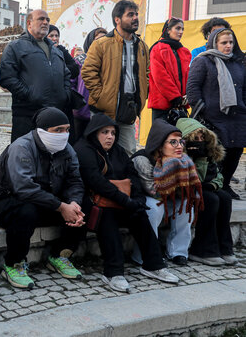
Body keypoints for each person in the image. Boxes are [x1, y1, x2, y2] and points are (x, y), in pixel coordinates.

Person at [74, 113, 179, 293]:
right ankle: (113, 272)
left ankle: (153, 265)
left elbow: (131, 174)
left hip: (120, 200)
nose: (110, 137)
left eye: (113, 133)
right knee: (108, 219)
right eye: (105, 132)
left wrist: (137, 198)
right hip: (94, 202)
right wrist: (127, 201)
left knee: (140, 214)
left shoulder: (117, 150)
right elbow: (96, 182)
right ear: (94, 133)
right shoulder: (84, 149)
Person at [0, 107, 86, 289]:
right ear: (42, 131)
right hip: (6, 200)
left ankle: (60, 255)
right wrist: (61, 207)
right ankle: (13, 264)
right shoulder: (21, 147)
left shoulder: (67, 149)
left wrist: (73, 204)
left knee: (84, 206)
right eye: (58, 130)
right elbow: (23, 188)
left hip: (46, 200)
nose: (64, 135)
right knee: (26, 211)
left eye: (67, 129)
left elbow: (75, 181)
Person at [81, 0, 150, 155]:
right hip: (103, 110)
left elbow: (147, 74)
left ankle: (124, 180)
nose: (135, 18)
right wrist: (102, 97)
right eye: (130, 15)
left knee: (128, 152)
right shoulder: (101, 44)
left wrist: (142, 97)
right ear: (117, 19)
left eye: (136, 14)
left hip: (129, 109)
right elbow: (88, 72)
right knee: (100, 152)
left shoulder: (142, 46)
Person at [131, 119, 202, 266]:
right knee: (155, 208)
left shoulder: (181, 160)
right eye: (173, 142)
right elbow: (153, 190)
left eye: (181, 142)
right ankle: (146, 255)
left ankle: (178, 252)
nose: (179, 146)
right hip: (145, 198)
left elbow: (191, 188)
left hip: (166, 196)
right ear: (160, 144)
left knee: (185, 204)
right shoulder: (142, 160)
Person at [187, 28, 246, 200]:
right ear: (215, 43)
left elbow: (243, 89)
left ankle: (226, 184)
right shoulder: (204, 61)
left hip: (237, 116)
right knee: (216, 153)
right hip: (212, 117)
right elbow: (192, 89)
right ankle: (214, 185)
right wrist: (204, 109)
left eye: (231, 42)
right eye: (224, 43)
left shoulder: (238, 62)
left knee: (235, 152)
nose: (228, 46)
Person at [0, 10, 72, 142]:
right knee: (25, 154)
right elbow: (7, 78)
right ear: (29, 23)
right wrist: (30, 95)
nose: (45, 22)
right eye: (41, 19)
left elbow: (66, 75)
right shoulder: (15, 47)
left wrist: (64, 95)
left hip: (54, 113)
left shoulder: (56, 51)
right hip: (27, 115)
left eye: (48, 20)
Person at [176, 118, 237, 265]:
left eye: (202, 137)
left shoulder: (208, 153)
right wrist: (196, 158)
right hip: (184, 191)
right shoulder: (181, 156)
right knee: (211, 199)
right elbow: (187, 180)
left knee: (224, 197)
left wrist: (212, 185)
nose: (200, 141)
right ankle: (202, 250)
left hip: (203, 188)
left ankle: (224, 248)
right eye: (195, 138)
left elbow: (218, 177)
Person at [148, 18, 191, 121]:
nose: (181, 32)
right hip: (162, 106)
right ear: (168, 30)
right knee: (162, 136)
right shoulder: (158, 48)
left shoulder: (184, 51)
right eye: (177, 28)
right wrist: (175, 97)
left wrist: (186, 97)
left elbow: (187, 76)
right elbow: (160, 77)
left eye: (182, 29)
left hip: (180, 105)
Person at [72, 28, 107, 140]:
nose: (101, 42)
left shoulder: (111, 63)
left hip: (103, 113)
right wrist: (76, 103)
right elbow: (71, 83)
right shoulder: (80, 60)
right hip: (81, 112)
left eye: (104, 39)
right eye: (97, 39)